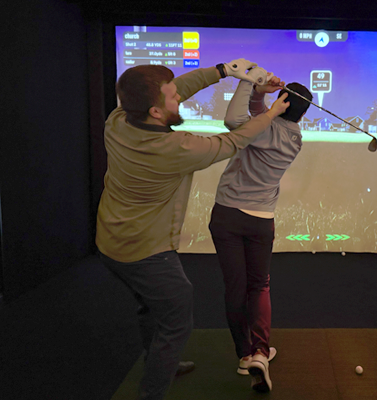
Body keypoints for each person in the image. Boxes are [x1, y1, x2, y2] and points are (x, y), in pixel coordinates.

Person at [95, 60, 290, 400]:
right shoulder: (177, 149)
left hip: (109, 244)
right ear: (156, 111)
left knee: (149, 305)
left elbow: (177, 88)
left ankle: (158, 360)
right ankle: (152, 391)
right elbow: (235, 138)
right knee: (177, 318)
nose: (179, 99)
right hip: (147, 253)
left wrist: (223, 70)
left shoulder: (118, 119)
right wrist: (271, 113)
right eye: (172, 99)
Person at [208, 69, 312, 393]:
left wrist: (249, 81)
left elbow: (235, 120)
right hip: (259, 220)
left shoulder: (263, 128)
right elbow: (257, 118)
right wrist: (263, 98)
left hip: (226, 215)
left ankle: (244, 355)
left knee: (235, 287)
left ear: (282, 102)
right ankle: (261, 353)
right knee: (259, 286)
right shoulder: (294, 137)